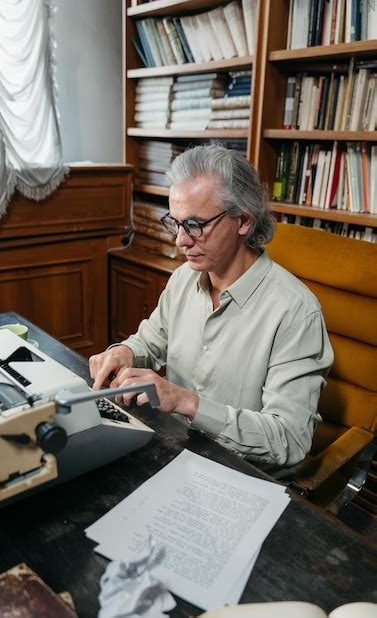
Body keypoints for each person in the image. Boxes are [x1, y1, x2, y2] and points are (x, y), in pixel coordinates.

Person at [89, 144, 333, 470]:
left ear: (243, 221)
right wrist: (124, 352)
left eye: (194, 224)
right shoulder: (182, 280)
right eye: (175, 223)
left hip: (244, 476)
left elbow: (288, 439)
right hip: (178, 452)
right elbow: (149, 342)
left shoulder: (296, 312)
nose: (180, 240)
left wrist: (186, 402)